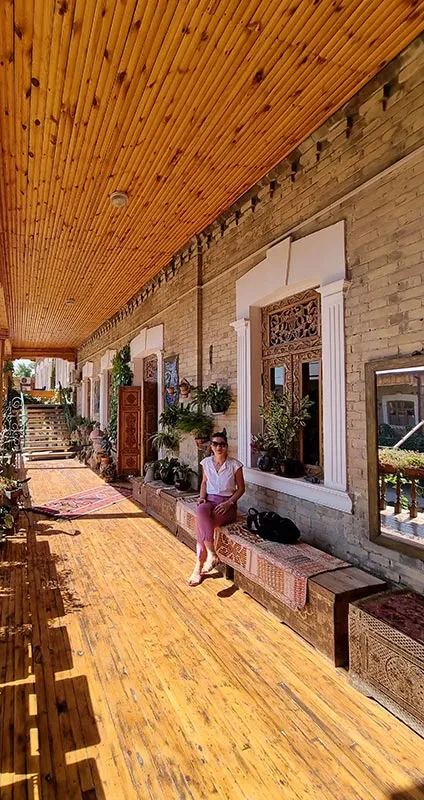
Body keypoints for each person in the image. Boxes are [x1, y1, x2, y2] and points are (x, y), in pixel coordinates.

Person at [188, 431, 245, 586]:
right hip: (209, 501)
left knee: (202, 526)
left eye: (222, 444)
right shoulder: (206, 463)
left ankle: (198, 568)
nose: (219, 447)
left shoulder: (235, 465)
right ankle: (212, 553)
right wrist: (202, 497)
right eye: (215, 444)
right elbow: (204, 483)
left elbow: (241, 489)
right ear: (211, 446)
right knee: (201, 509)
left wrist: (229, 503)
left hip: (226, 505)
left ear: (226, 446)